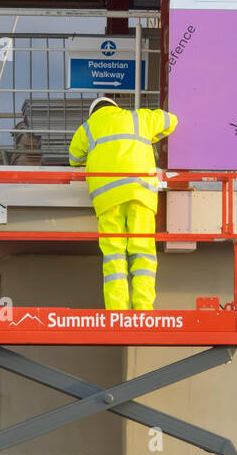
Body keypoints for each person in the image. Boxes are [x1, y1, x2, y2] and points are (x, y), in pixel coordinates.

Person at [68, 96, 178, 311]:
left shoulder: (88, 128)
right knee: (143, 252)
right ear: (116, 107)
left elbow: (74, 158)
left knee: (114, 256)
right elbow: (171, 121)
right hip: (140, 195)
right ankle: (143, 309)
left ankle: (116, 311)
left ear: (93, 112)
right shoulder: (139, 118)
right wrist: (151, 137)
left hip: (108, 201)